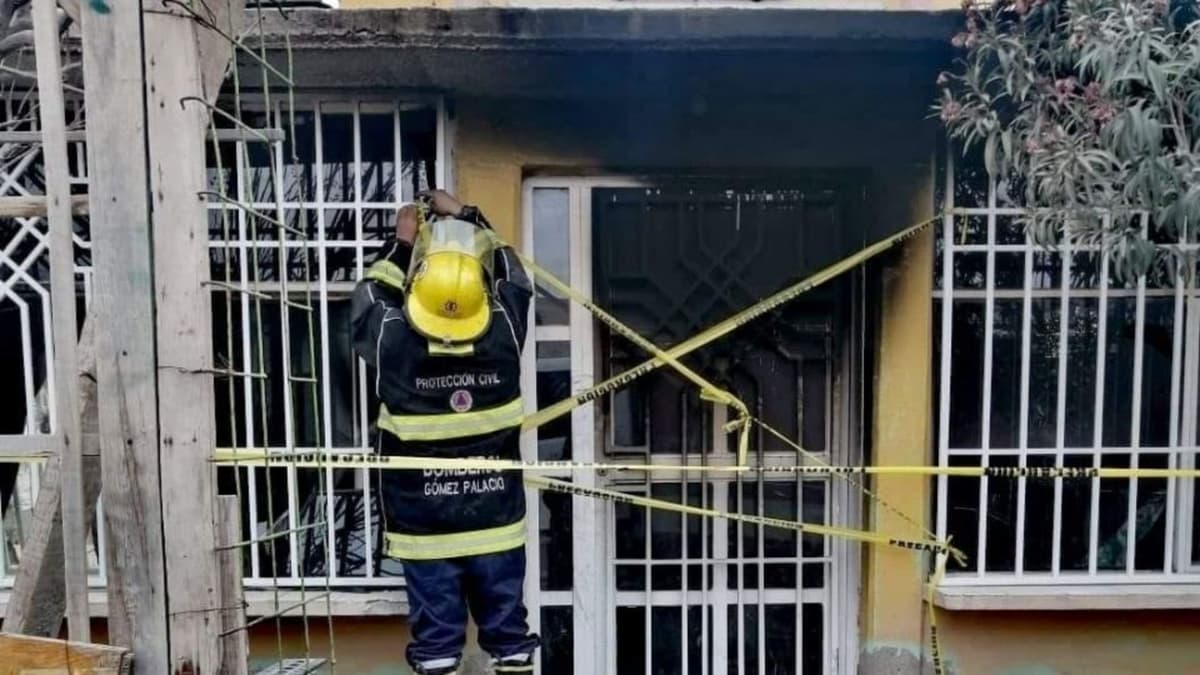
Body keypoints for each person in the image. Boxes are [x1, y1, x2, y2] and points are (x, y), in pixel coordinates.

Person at [351, 190, 539, 675]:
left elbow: (369, 295)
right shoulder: (503, 330)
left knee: (436, 647)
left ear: (416, 294)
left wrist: (402, 241)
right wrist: (469, 216)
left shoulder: (394, 340)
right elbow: (514, 274)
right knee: (510, 639)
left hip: (424, 528)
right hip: (496, 520)